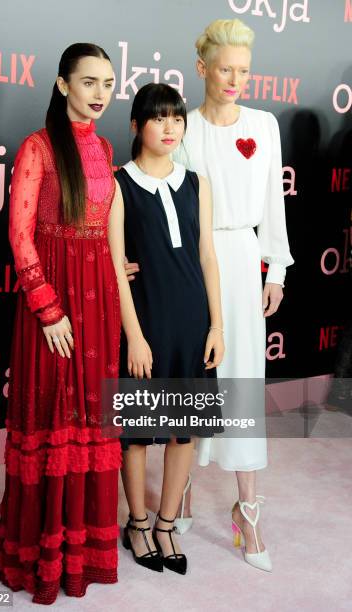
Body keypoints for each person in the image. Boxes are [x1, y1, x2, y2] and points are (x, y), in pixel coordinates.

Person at [0, 43, 121, 604]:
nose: (99, 95)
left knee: (91, 422)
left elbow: (104, 232)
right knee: (51, 421)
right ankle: (37, 554)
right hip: (55, 308)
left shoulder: (108, 146)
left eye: (108, 84)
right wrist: (48, 308)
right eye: (88, 83)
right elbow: (20, 236)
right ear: (63, 84)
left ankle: (82, 555)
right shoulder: (37, 148)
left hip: (100, 305)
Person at [171, 18, 294, 572]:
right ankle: (184, 489)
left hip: (244, 262)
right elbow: (167, 203)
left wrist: (277, 270)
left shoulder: (264, 124)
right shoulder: (184, 128)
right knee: (195, 374)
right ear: (202, 68)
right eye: (226, 69)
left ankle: (247, 513)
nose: (235, 79)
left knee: (242, 380)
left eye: (244, 70)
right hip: (191, 264)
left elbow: (274, 200)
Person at [108, 83, 224, 575]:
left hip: (192, 322)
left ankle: (166, 523)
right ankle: (136, 523)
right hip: (145, 322)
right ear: (137, 126)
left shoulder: (198, 183)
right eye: (159, 118)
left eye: (177, 118)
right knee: (135, 434)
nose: (170, 127)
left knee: (184, 433)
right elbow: (115, 265)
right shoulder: (119, 182)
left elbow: (207, 257)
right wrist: (134, 335)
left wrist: (217, 325)